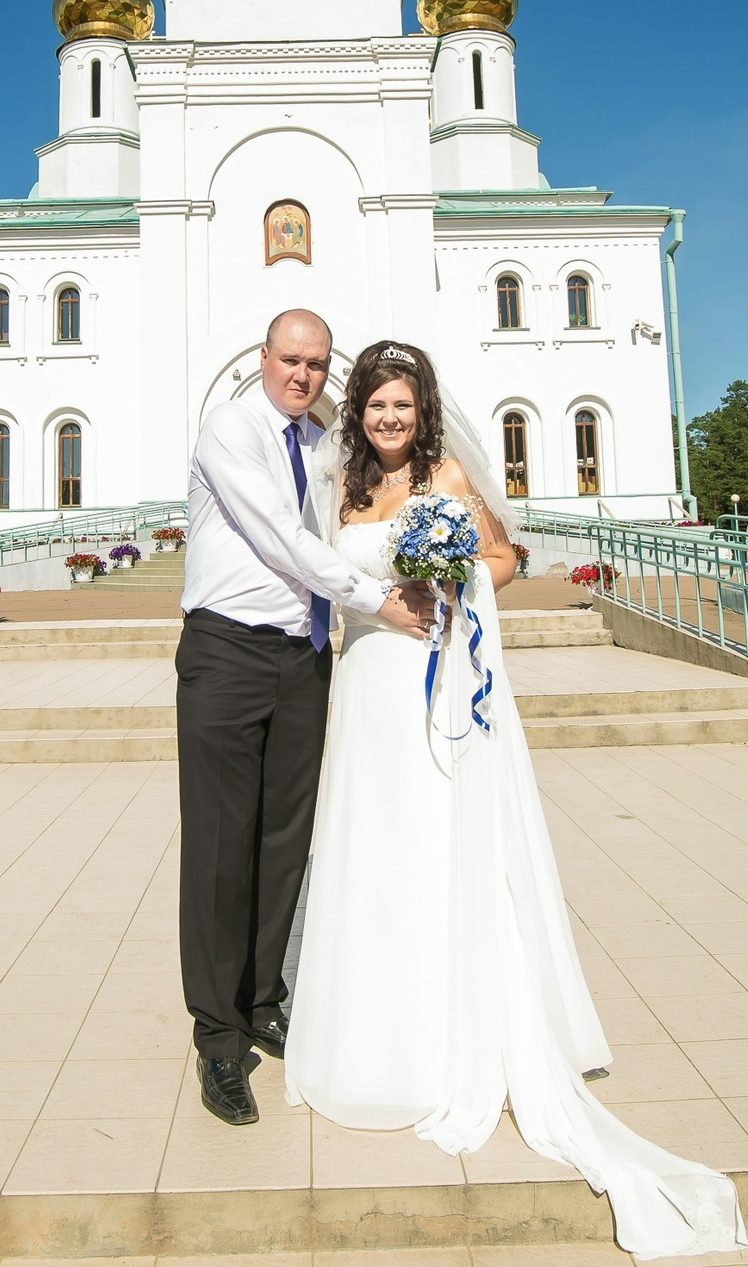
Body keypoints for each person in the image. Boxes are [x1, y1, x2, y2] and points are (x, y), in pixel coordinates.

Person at [282, 340, 748, 1259]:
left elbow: (505, 559)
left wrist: (447, 576)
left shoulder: (445, 473)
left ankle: (442, 1038)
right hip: (364, 685)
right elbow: (325, 576)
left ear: (423, 414)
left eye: (402, 409)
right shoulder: (338, 488)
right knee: (368, 859)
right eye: (376, 408)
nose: (388, 422)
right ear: (358, 412)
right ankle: (368, 1036)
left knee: (427, 848)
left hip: (424, 676)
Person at [177, 309, 436, 1128]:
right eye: (291, 360)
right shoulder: (231, 427)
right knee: (222, 842)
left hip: (302, 657)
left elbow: (356, 511)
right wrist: (375, 599)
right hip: (227, 651)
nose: (304, 375)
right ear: (263, 358)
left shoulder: (322, 443)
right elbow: (283, 536)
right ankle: (219, 1039)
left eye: (318, 364)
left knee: (285, 837)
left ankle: (261, 998)